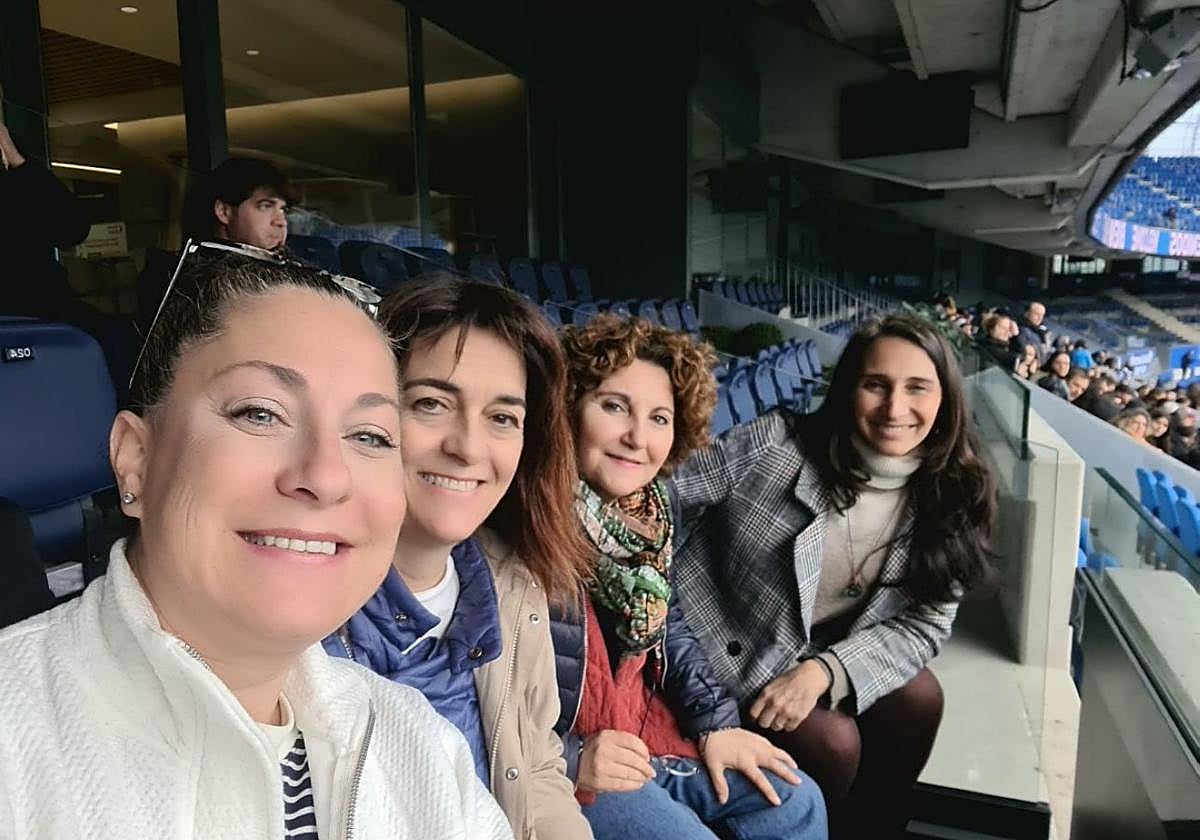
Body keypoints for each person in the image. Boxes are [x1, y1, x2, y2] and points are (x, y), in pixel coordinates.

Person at [0, 244, 512, 839]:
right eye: (260, 413)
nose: (324, 476)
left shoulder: (417, 745)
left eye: (370, 435)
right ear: (136, 462)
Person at [671, 315, 996, 838]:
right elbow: (659, 502)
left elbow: (925, 625)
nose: (896, 409)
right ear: (849, 390)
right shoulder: (775, 444)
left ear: (945, 400)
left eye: (918, 388)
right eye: (876, 385)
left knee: (919, 698)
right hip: (719, 655)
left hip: (813, 654)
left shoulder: (951, 493)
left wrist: (825, 671)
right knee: (833, 743)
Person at [325, 279, 593, 840]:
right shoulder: (300, 603)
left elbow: (538, 769)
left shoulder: (515, 584)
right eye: (431, 404)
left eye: (502, 418)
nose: (468, 447)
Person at [556, 314, 827, 840]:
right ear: (568, 408)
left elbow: (669, 626)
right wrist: (570, 756)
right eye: (614, 406)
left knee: (796, 802)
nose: (638, 437)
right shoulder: (535, 517)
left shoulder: (649, 517)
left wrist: (716, 724)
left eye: (660, 418)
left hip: (642, 734)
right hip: (573, 766)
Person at [138, 157, 293, 333]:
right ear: (224, 211)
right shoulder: (181, 281)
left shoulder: (282, 269)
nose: (281, 222)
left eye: (283, 210)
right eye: (265, 206)